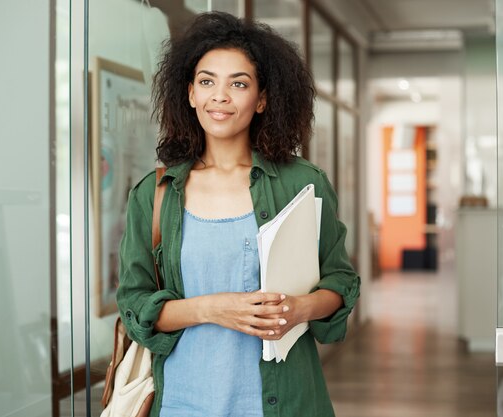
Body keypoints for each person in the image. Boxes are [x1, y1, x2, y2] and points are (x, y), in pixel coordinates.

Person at [116, 11, 360, 417]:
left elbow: (340, 280)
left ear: (262, 98)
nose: (220, 96)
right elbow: (135, 303)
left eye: (239, 84)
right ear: (190, 93)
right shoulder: (155, 194)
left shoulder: (302, 183)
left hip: (281, 404)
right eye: (207, 81)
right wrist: (213, 309)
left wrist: (301, 308)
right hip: (183, 402)